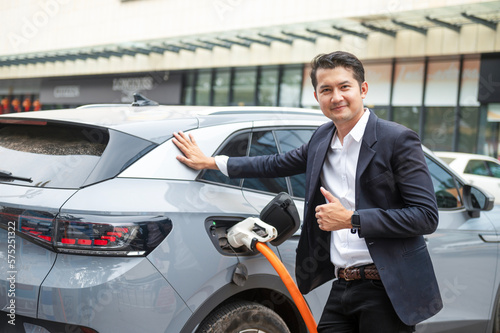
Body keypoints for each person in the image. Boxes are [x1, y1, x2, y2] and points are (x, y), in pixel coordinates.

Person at [173, 51, 442, 332]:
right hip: (343, 285)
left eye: (344, 87)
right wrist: (212, 162)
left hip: (388, 286)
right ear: (317, 97)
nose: (336, 97)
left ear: (362, 89)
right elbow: (274, 163)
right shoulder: (321, 138)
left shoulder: (397, 139)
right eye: (326, 90)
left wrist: (352, 219)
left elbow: (425, 216)